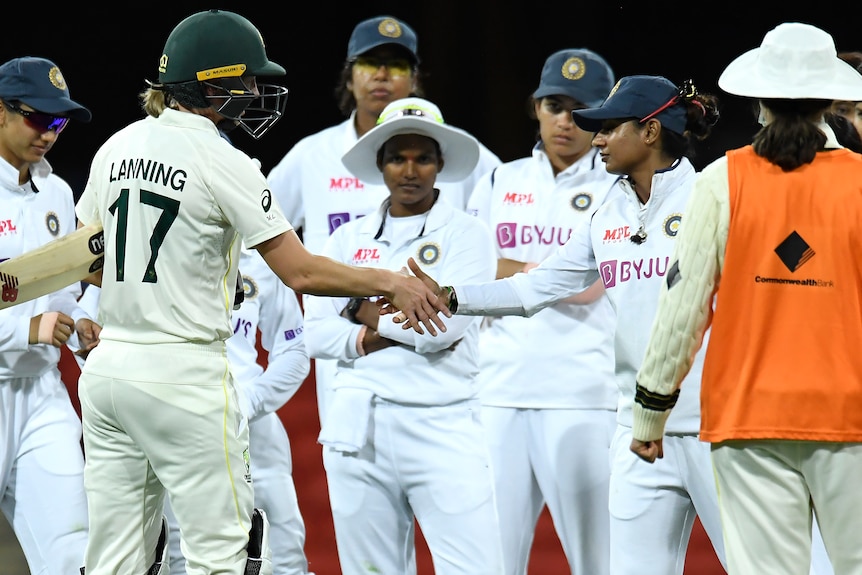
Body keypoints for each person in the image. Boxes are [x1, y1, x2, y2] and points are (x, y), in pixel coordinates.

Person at [73, 10, 450, 575]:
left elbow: (89, 262)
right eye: (246, 79)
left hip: (106, 375)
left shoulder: (115, 147)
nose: (254, 92)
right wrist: (389, 279)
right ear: (210, 82)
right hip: (183, 374)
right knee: (223, 558)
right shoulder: (226, 160)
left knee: (114, 561)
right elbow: (299, 273)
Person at [385, 75, 729, 575]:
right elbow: (533, 289)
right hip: (636, 429)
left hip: (713, 426)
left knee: (759, 565)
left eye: (609, 128)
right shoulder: (606, 209)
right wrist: (452, 297)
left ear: (651, 132)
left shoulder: (712, 194)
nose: (598, 139)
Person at [629, 22, 862, 575]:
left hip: (747, 416)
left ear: (759, 100)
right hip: (850, 414)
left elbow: (682, 305)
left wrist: (650, 410)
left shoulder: (720, 180)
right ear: (830, 100)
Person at [266, 14, 502, 427]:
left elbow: (508, 232)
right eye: (368, 64)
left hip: (438, 369)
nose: (381, 76)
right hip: (348, 362)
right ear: (349, 77)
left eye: (396, 66)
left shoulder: (465, 154)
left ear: (413, 80)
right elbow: (259, 236)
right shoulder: (313, 155)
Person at [302, 97, 503, 574]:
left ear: (441, 164)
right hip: (357, 429)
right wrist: (390, 318)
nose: (409, 170)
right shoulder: (345, 239)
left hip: (443, 426)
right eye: (397, 157)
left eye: (422, 157)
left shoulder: (470, 235)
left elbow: (442, 331)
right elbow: (315, 337)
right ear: (380, 164)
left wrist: (361, 310)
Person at [465, 48, 618, 575]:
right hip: (498, 389)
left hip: (583, 393)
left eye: (582, 108)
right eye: (555, 104)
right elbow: (471, 271)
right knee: (491, 560)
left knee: (596, 561)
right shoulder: (500, 180)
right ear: (536, 107)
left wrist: (508, 267)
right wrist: (547, 270)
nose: (566, 120)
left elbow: (590, 287)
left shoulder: (616, 185)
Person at [0, 56, 97, 575]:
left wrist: (76, 322)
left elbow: (59, 292)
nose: (50, 133)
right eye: (40, 118)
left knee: (73, 553)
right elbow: (28, 318)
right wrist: (23, 328)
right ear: (0, 111)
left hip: (41, 393)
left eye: (59, 122)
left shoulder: (57, 193)